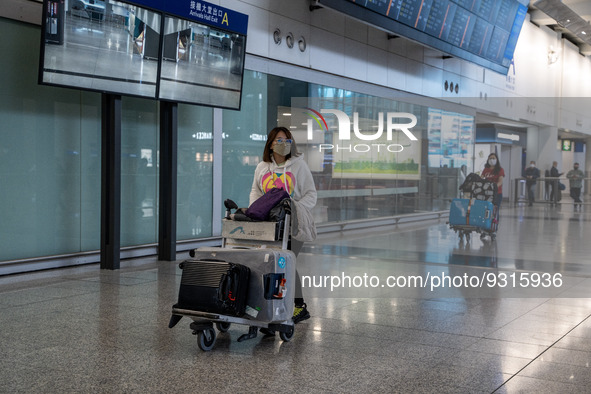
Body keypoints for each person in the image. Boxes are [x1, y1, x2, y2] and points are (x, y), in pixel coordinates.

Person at [249, 126, 317, 332]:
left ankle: (298, 307)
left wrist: (293, 209)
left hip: (294, 226)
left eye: (287, 140)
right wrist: (256, 212)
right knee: (269, 266)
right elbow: (255, 191)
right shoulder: (262, 167)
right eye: (279, 140)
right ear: (270, 143)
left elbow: (311, 195)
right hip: (269, 226)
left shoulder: (299, 166)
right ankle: (272, 309)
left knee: (284, 263)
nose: (284, 144)